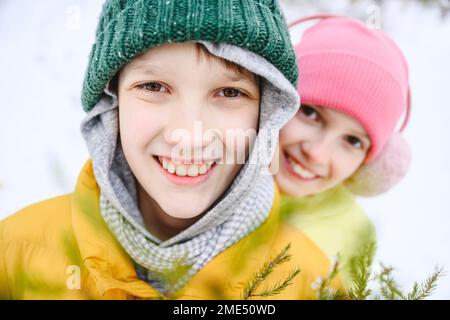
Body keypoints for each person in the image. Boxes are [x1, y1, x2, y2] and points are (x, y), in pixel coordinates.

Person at [0, 1, 340, 299]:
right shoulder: (14, 252)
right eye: (153, 86)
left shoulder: (313, 283)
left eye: (229, 93)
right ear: (112, 106)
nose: (189, 136)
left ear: (266, 113)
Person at [274, 15, 412, 288]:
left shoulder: (351, 235)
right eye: (310, 113)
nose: (317, 153)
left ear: (371, 163)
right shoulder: (199, 171)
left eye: (353, 141)